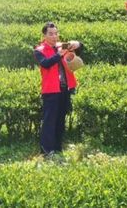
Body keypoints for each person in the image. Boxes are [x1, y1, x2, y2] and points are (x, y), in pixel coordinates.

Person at [34, 22, 80, 157]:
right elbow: (45, 64)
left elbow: (80, 50)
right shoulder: (39, 50)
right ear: (44, 35)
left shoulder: (62, 46)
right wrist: (59, 54)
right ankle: (47, 151)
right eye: (51, 34)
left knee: (60, 119)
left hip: (65, 88)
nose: (54, 36)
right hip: (51, 90)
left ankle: (58, 148)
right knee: (49, 121)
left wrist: (77, 44)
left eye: (56, 33)